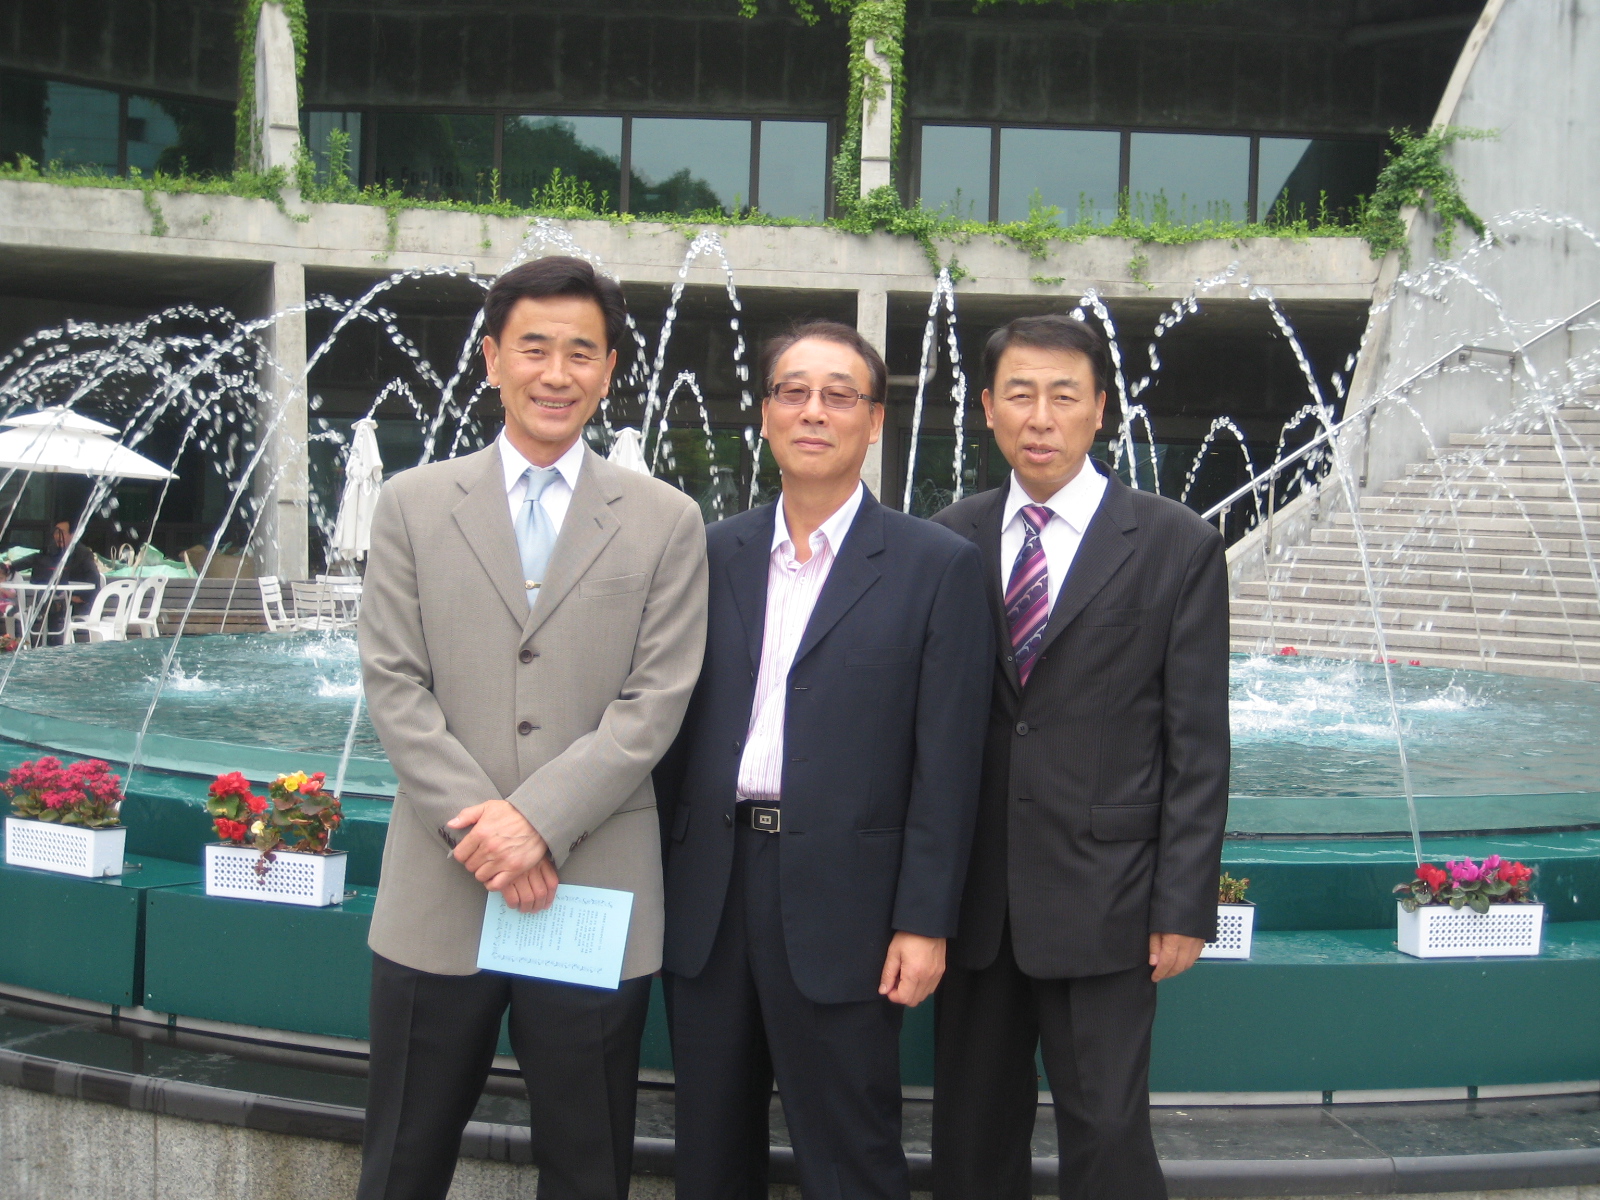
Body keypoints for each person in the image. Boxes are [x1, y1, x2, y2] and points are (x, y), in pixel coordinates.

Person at [356, 255, 709, 1200]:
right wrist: (489, 831)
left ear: (611, 368)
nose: (557, 374)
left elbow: (656, 700)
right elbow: (393, 683)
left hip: (590, 890)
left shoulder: (667, 520)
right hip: (440, 887)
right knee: (401, 1162)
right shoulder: (412, 504)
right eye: (534, 348)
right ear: (491, 359)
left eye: (581, 353)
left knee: (588, 1165)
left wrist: (538, 824)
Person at [655, 321, 993, 1200]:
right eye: (793, 392)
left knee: (851, 1156)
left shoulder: (937, 566)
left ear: (874, 421)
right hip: (710, 891)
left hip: (850, 904)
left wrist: (925, 921)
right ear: (766, 414)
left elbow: (949, 764)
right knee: (708, 1152)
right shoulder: (707, 552)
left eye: (840, 395)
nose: (814, 411)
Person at [929, 314, 1230, 1200]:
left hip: (1108, 901)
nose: (1041, 417)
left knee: (1107, 1136)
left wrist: (1184, 903)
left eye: (1064, 396)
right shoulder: (948, 538)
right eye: (1019, 394)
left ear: (1100, 409)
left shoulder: (1176, 543)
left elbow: (1198, 744)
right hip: (976, 905)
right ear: (988, 408)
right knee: (971, 1134)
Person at [31, 519, 102, 642]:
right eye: (56, 532)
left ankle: (53, 643)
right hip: (58, 597)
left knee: (52, 608)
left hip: (81, 601)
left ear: (72, 535)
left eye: (62, 532)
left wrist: (79, 598)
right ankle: (44, 642)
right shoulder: (52, 551)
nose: (58, 536)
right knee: (47, 605)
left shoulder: (83, 553)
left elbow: (94, 580)